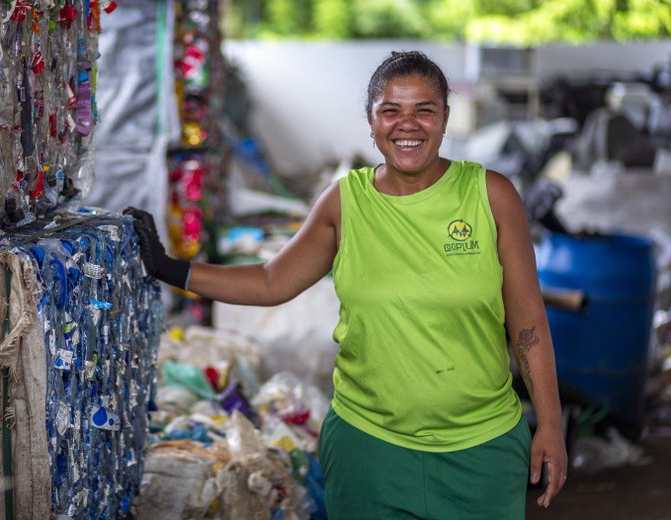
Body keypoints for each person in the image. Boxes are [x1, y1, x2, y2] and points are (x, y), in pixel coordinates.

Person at [125, 50, 568, 519]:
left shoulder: (490, 195)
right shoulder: (345, 201)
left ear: (445, 119)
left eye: (424, 110)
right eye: (391, 110)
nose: (408, 124)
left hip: (482, 451)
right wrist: (171, 269)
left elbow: (528, 320)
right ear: (370, 120)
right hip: (369, 450)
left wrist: (551, 424)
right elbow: (272, 281)